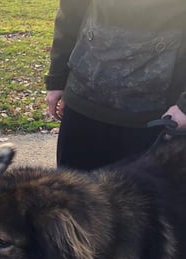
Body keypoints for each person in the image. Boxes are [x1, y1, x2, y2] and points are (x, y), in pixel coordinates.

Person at [45, 0, 186, 171]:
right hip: (83, 104)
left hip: (153, 116)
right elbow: (71, 11)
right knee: (74, 194)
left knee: (142, 196)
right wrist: (57, 79)